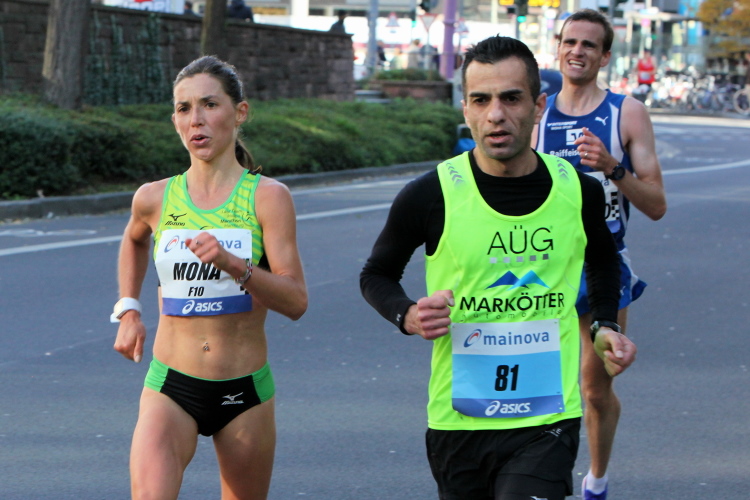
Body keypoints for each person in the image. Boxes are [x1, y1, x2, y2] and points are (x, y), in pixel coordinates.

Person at [360, 35, 637, 500]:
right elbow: (376, 274)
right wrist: (406, 314)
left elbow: (604, 259)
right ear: (466, 110)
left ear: (538, 106)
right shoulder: (431, 194)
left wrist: (604, 324)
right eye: (481, 100)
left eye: (511, 98)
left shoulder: (578, 190)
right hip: (459, 421)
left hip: (548, 418)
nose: (495, 114)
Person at [112, 55, 308, 499]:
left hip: (244, 391)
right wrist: (129, 309)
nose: (196, 120)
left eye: (209, 105)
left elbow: (296, 301)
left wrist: (235, 265)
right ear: (175, 121)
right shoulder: (154, 198)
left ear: (240, 113)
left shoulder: (268, 198)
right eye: (184, 109)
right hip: (170, 385)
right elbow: (134, 239)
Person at [534, 9, 666, 499]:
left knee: (594, 388)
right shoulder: (538, 113)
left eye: (589, 45)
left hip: (602, 266)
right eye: (570, 42)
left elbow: (656, 205)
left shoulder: (625, 112)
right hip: (542, 268)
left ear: (605, 56)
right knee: (539, 387)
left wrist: (612, 167)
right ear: (558, 47)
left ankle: (596, 481)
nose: (577, 51)